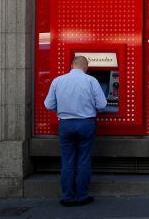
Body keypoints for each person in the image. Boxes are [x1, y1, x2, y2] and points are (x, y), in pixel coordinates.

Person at [44, 56, 107, 207]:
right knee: (83, 160)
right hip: (86, 123)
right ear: (86, 66)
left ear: (72, 65)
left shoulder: (58, 81)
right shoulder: (91, 81)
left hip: (65, 124)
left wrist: (62, 110)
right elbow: (102, 105)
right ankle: (81, 196)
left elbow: (48, 105)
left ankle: (67, 197)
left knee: (67, 161)